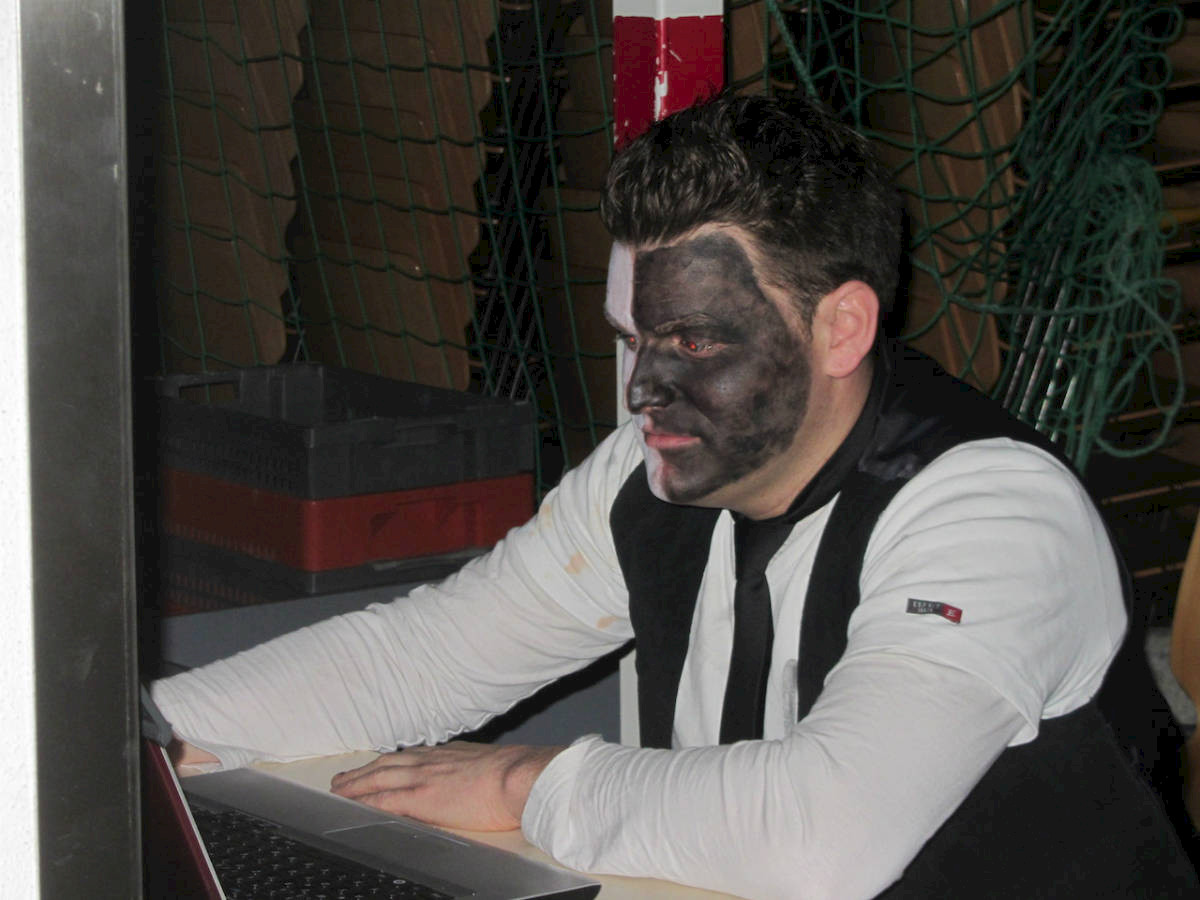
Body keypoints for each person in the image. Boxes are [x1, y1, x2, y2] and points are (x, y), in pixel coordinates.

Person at [153, 92, 1198, 898]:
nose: (642, 389)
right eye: (632, 339)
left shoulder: (990, 514)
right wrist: (131, 738)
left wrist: (524, 784)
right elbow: (423, 658)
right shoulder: (653, 468)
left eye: (694, 341)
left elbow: (824, 836)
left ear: (840, 328)